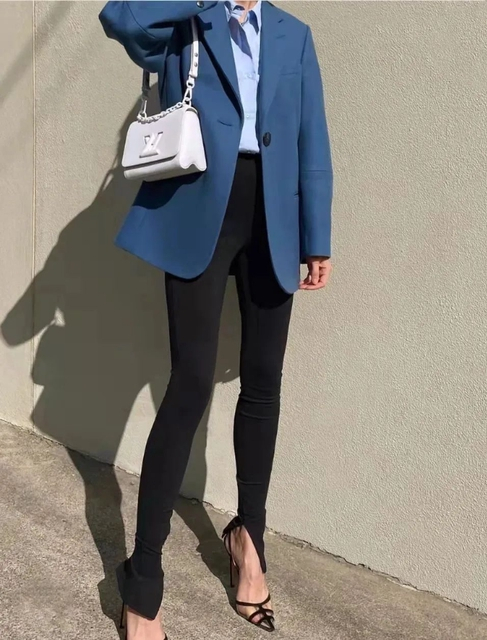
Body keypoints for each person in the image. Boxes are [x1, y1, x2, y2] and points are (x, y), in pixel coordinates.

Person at [98, 0, 333, 637]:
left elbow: (311, 137)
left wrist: (317, 235)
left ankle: (249, 540)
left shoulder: (294, 35)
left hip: (274, 221)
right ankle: (143, 578)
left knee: (263, 384)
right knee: (191, 383)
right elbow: (121, 19)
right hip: (198, 210)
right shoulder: (188, 20)